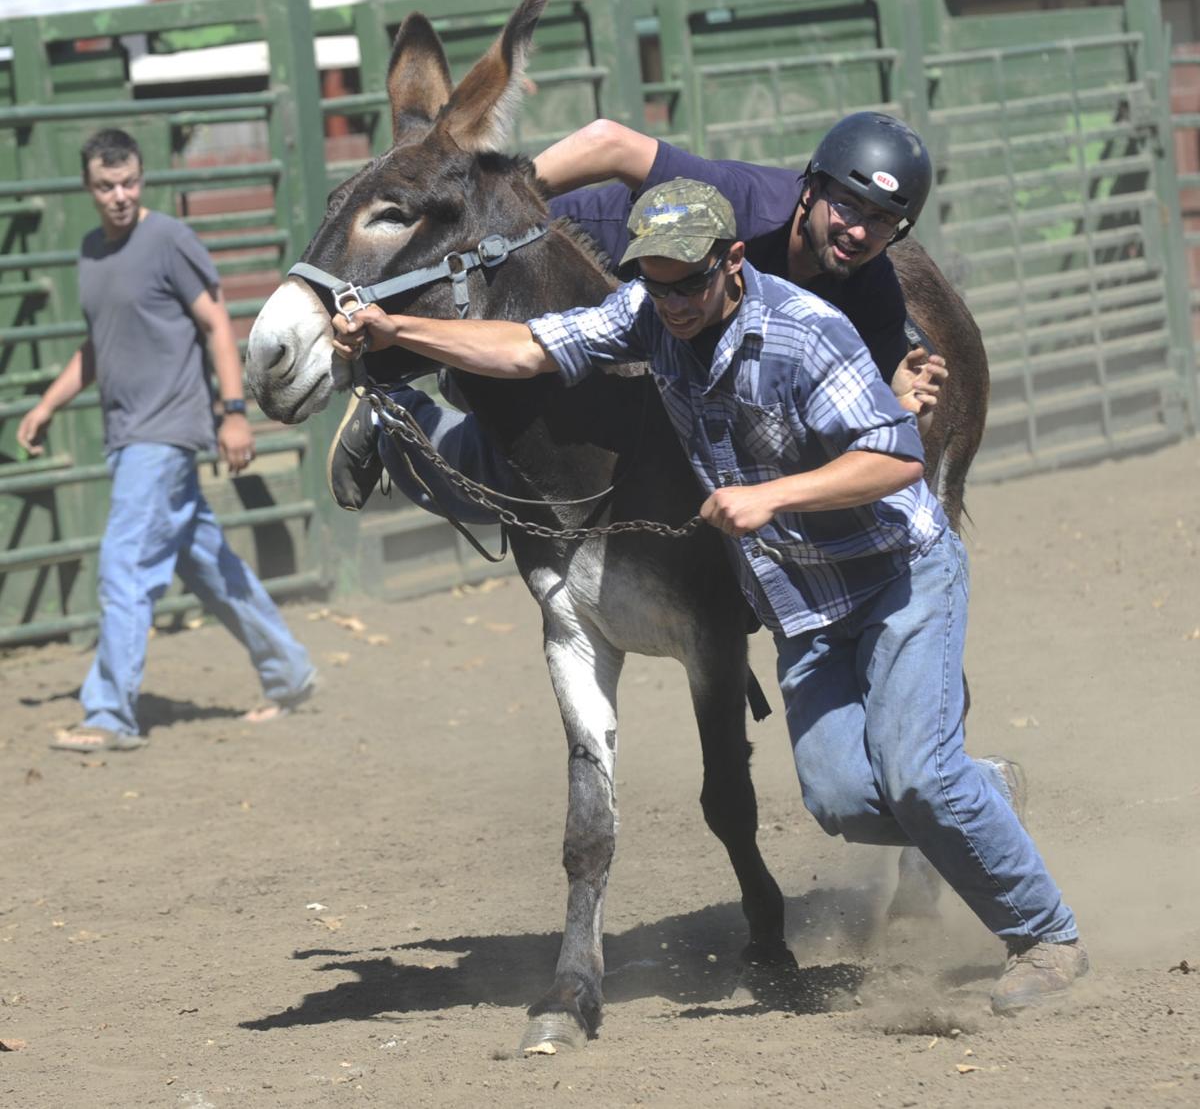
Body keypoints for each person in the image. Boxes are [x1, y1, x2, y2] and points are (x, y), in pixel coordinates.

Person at [328, 178, 1087, 1016]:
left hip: (893, 576)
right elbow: (528, 350)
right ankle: (984, 786)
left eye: (689, 280)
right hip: (803, 600)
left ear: (733, 262)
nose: (674, 300)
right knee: (840, 799)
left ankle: (1045, 935)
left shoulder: (808, 332)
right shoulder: (650, 315)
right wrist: (396, 331)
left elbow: (898, 459)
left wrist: (772, 497)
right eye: (655, 280)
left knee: (916, 779)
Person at [327, 111, 948, 513]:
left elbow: (890, 388)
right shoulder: (747, 205)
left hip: (675, 321)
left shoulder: (871, 283)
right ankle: (397, 417)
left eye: (882, 219)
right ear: (811, 191)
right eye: (849, 206)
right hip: (596, 254)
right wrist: (509, 206)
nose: (860, 232)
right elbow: (609, 141)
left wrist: (903, 389)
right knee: (534, 440)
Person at [16, 129, 316, 753]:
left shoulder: (169, 241)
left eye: (129, 182)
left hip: (167, 431)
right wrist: (47, 404)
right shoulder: (92, 252)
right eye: (106, 186)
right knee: (211, 567)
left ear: (142, 179)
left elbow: (216, 324)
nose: (120, 195)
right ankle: (290, 675)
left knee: (124, 564)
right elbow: (99, 346)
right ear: (87, 188)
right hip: (127, 435)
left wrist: (234, 413)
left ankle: (109, 715)